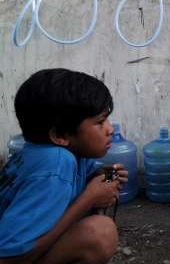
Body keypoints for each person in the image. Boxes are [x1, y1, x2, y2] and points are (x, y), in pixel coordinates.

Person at [0, 68, 128, 264]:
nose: (110, 129)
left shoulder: (63, 153)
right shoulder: (55, 164)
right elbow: (10, 258)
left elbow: (82, 182)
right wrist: (89, 198)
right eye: (100, 122)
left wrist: (106, 179)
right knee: (100, 233)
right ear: (60, 136)